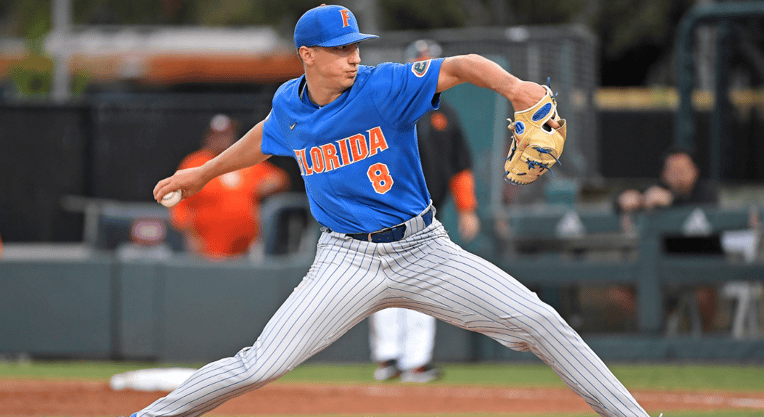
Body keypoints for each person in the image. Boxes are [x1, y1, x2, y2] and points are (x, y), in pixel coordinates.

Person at [141, 5, 651, 416]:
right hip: (345, 261)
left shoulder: (383, 86)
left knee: (542, 321)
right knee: (258, 366)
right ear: (308, 56)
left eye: (355, 46)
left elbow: (461, 65)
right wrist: (202, 173)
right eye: (339, 50)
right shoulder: (290, 104)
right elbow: (271, 134)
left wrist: (516, 89)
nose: (352, 57)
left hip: (425, 250)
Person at [369, 39, 480, 383]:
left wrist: (468, 209)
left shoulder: (446, 115)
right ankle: (388, 358)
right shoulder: (385, 108)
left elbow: (461, 166)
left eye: (429, 63)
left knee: (422, 287)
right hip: (384, 213)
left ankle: (415, 362)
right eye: (419, 63)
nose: (425, 68)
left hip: (428, 215)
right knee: (382, 288)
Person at [612, 147, 719, 332]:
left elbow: (705, 207)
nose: (679, 177)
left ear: (695, 171)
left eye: (683, 171)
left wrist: (672, 201)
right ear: (664, 174)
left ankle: (706, 339)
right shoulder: (658, 190)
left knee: (705, 291)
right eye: (673, 171)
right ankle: (659, 332)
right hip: (662, 269)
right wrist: (624, 199)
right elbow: (625, 199)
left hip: (701, 265)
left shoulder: (706, 192)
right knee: (620, 292)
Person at [169, 114, 290, 260]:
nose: (223, 138)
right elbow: (179, 204)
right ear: (208, 136)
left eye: (227, 134)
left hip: (245, 250)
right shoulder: (195, 163)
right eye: (218, 135)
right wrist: (190, 236)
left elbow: (279, 178)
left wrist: (265, 186)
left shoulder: (242, 160)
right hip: (205, 249)